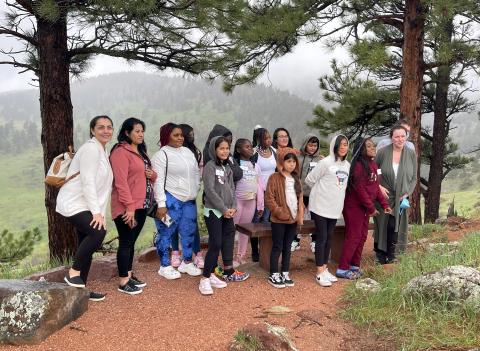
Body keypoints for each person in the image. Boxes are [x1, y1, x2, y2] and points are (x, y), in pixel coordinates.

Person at [57, 115, 114, 302]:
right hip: (74, 202)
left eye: (109, 127)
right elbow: (88, 181)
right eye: (101, 127)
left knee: (87, 244)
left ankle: (80, 290)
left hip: (87, 204)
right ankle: (73, 273)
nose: (106, 130)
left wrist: (100, 213)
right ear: (92, 130)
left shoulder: (102, 151)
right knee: (97, 233)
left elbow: (103, 188)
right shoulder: (91, 149)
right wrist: (96, 213)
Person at [110, 117, 157, 295]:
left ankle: (128, 275)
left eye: (142, 131)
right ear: (127, 132)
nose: (140, 134)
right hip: (127, 206)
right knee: (126, 242)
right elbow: (120, 182)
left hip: (142, 204)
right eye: (137, 131)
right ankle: (123, 282)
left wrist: (152, 174)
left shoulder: (141, 152)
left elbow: (150, 175)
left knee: (131, 242)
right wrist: (129, 207)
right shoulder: (120, 152)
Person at [200, 136, 249, 295]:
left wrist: (234, 207)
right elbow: (210, 190)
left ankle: (213, 274)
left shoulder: (227, 167)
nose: (225, 151)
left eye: (227, 148)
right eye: (221, 148)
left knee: (223, 241)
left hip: (228, 212)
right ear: (214, 150)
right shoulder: (209, 166)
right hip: (214, 211)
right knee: (215, 244)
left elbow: (232, 189)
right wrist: (223, 208)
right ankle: (205, 279)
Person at [152, 122, 202, 279]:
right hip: (170, 200)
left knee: (188, 232)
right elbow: (158, 182)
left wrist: (196, 187)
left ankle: (186, 262)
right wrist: (161, 204)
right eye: (176, 135)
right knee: (166, 232)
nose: (180, 138)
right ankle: (165, 265)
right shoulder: (161, 155)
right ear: (167, 136)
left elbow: (195, 172)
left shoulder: (187, 152)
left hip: (189, 200)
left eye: (181, 135)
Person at [336, 138, 392, 279]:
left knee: (362, 237)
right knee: (354, 236)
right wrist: (371, 208)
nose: (373, 147)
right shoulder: (358, 166)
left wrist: (385, 205)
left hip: (365, 208)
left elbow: (375, 188)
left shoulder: (372, 164)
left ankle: (354, 266)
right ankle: (342, 268)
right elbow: (360, 190)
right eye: (368, 146)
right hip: (354, 207)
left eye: (373, 145)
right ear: (361, 149)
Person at [306, 135, 350, 287]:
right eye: (341, 145)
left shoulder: (347, 165)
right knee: (322, 237)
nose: (344, 147)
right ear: (335, 146)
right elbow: (309, 179)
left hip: (334, 207)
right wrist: (320, 193)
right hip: (320, 206)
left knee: (329, 237)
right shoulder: (325, 163)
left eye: (346, 144)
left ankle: (325, 269)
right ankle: (319, 272)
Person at [374, 124, 417, 264]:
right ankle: (380, 254)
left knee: (394, 225)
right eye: (397, 136)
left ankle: (392, 255)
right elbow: (374, 171)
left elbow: (414, 178)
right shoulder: (382, 152)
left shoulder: (411, 154)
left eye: (403, 136)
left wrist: (407, 193)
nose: (400, 139)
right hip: (384, 196)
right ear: (391, 138)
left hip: (401, 196)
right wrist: (379, 186)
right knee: (383, 224)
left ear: (406, 137)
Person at [265, 148, 304, 288]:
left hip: (292, 220)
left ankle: (285, 272)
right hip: (279, 220)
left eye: (294, 161)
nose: (292, 164)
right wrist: (279, 212)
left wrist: (299, 215)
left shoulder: (296, 179)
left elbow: (300, 199)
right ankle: (273, 273)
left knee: (288, 247)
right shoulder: (274, 177)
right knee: (277, 246)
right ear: (281, 162)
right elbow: (269, 198)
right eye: (288, 161)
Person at [169, 123, 204, 269]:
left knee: (192, 225)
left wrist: (195, 186)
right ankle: (175, 252)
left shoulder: (195, 152)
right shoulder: (168, 152)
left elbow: (199, 170)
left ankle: (196, 253)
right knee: (173, 224)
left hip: (190, 195)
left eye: (191, 134)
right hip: (173, 194)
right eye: (187, 134)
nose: (190, 137)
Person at [232, 138, 264, 267]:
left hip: (251, 202)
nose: (251, 149)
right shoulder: (235, 165)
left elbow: (260, 186)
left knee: (245, 231)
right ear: (238, 150)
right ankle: (229, 256)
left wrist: (260, 204)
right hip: (237, 202)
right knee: (231, 230)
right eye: (247, 147)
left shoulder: (256, 166)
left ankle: (240, 256)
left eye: (251, 146)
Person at [291, 133, 323, 252]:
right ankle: (295, 239)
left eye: (315, 145)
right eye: (310, 145)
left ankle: (314, 240)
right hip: (300, 193)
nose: (313, 148)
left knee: (315, 218)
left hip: (315, 194)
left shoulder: (320, 160)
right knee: (298, 216)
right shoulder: (298, 158)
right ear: (305, 145)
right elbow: (295, 176)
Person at [250, 127, 276, 262]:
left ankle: (264, 250)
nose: (269, 140)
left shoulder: (274, 152)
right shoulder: (254, 153)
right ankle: (254, 250)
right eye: (266, 138)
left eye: (270, 137)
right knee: (255, 221)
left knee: (266, 220)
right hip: (257, 192)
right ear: (259, 139)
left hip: (271, 192)